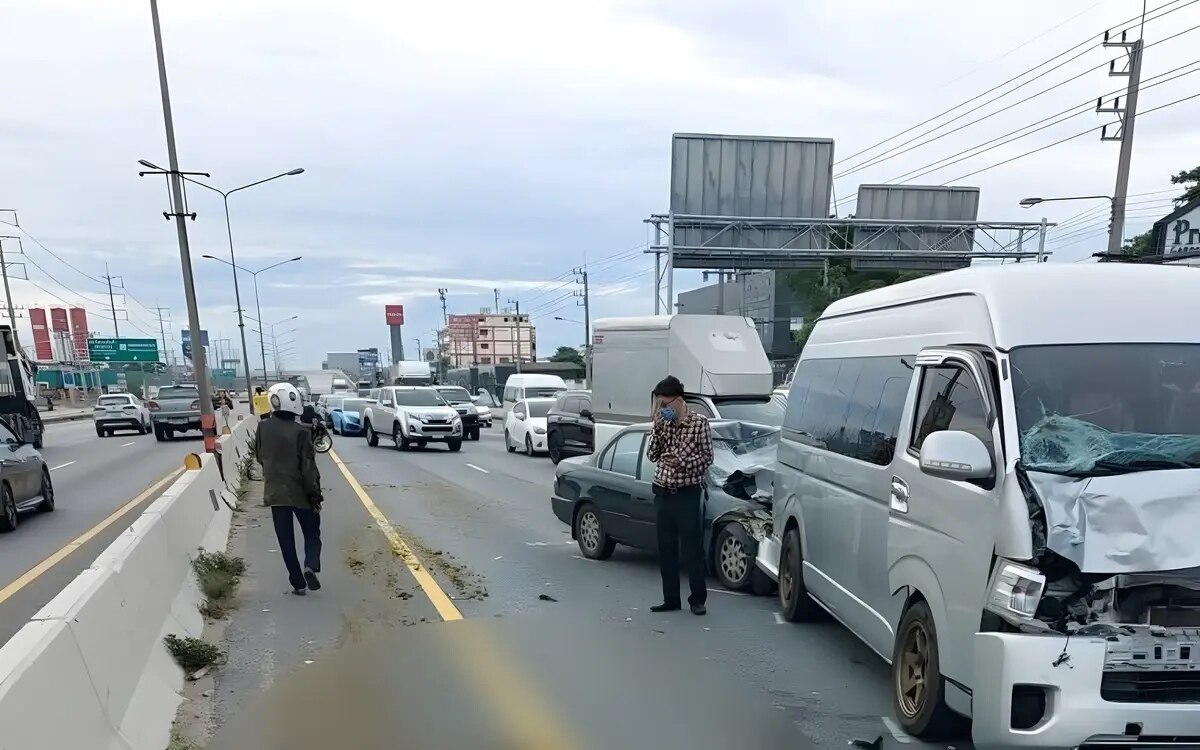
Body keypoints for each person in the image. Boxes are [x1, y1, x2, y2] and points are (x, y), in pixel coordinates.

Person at [646, 375, 713, 616]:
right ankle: (670, 598)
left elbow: (707, 458)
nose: (662, 409)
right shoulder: (663, 424)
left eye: (665, 404)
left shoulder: (699, 423)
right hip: (663, 492)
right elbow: (652, 455)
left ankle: (697, 599)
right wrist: (657, 427)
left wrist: (682, 461)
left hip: (687, 493)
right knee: (666, 549)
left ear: (679, 400)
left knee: (691, 549)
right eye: (659, 405)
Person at [254, 382, 325, 595]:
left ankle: (298, 584)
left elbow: (259, 455)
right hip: (301, 493)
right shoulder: (301, 432)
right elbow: (308, 468)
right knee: (312, 533)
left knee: (286, 541)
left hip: (275, 493)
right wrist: (315, 495)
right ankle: (310, 566)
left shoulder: (262, 427)